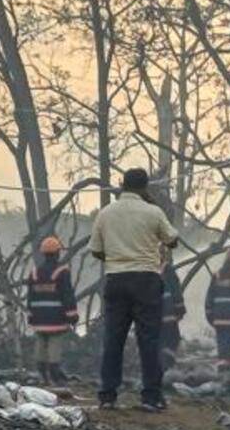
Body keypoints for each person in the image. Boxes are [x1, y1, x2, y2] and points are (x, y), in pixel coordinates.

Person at [88, 167, 179, 411]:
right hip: (146, 280)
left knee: (113, 339)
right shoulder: (153, 211)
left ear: (122, 185)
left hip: (116, 279)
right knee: (149, 340)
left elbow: (96, 250)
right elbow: (172, 240)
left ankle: (107, 396)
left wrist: (117, 256)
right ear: (145, 187)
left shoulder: (106, 213)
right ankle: (151, 396)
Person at [25, 236, 79, 384]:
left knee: (40, 343)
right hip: (56, 319)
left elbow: (30, 297)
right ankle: (55, 374)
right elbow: (67, 295)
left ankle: (42, 373)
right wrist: (72, 315)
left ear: (43, 253)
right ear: (57, 253)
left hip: (38, 318)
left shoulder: (34, 272)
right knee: (54, 344)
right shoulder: (62, 272)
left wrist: (30, 315)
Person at [159, 260, 186, 369]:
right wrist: (180, 309)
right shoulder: (167, 269)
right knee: (172, 339)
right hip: (167, 314)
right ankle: (166, 365)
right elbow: (176, 291)